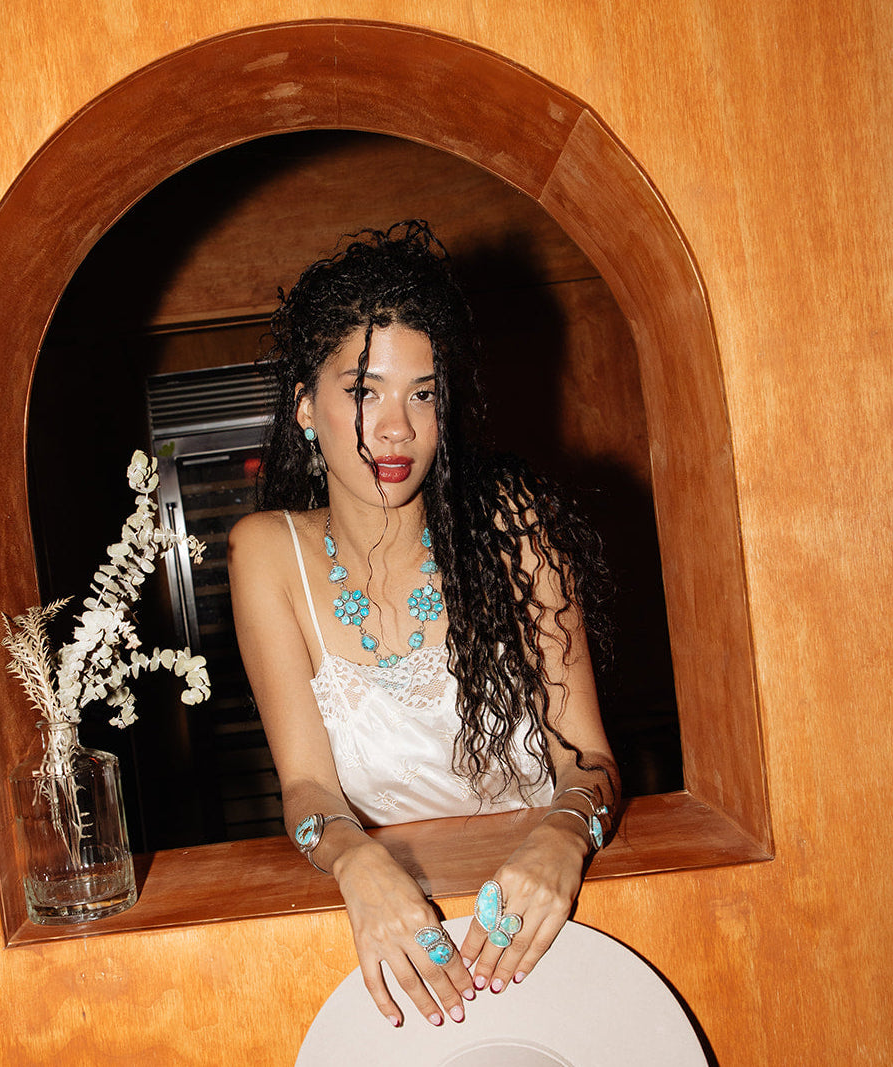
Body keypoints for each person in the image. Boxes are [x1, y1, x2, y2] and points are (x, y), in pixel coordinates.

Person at [228, 220, 619, 1030]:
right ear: (306, 404)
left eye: (423, 392)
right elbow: (305, 787)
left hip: (560, 924)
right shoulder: (267, 555)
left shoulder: (515, 530)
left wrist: (563, 834)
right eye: (363, 391)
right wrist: (354, 861)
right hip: (401, 951)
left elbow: (591, 763)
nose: (397, 427)